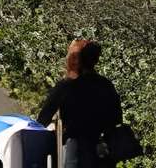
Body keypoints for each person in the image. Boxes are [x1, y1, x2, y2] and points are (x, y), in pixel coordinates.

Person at [33, 37, 128, 168]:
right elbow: (117, 120)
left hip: (75, 150)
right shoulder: (106, 85)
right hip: (102, 152)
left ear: (76, 59)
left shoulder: (67, 86)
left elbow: (43, 119)